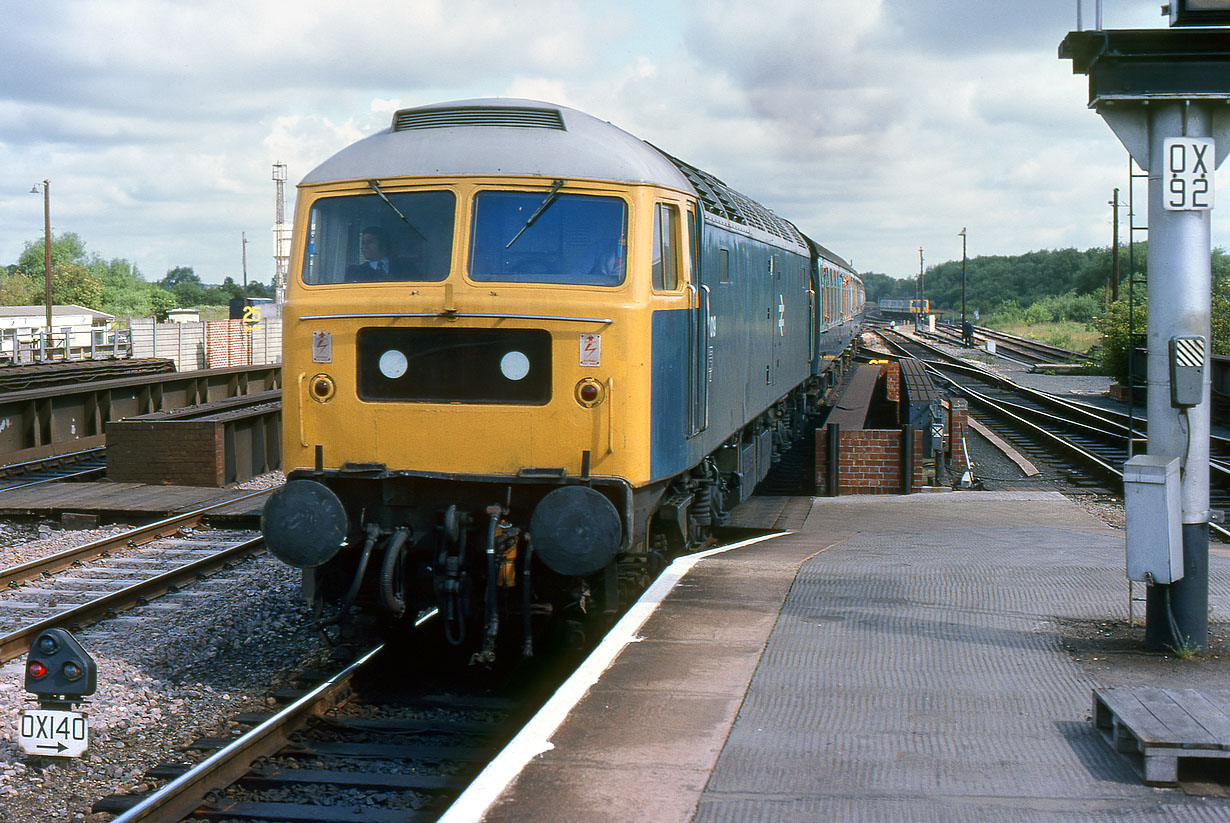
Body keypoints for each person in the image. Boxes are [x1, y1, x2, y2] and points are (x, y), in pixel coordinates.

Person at [346, 227, 418, 281]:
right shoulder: (355, 271)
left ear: (383, 244)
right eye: (363, 243)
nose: (365, 246)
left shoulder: (406, 267)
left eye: (370, 242)